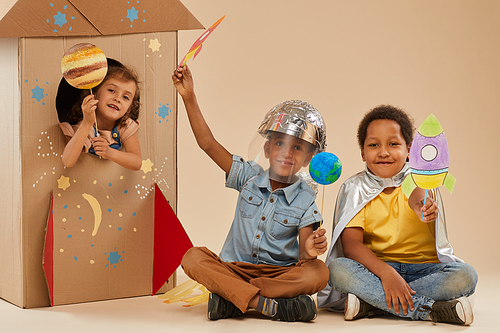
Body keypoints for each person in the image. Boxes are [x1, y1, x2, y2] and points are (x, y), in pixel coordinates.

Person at [172, 65, 329, 322]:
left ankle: (234, 300)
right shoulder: (249, 177)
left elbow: (304, 255)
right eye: (279, 143)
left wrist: (311, 250)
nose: (287, 153)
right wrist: (189, 97)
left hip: (277, 276)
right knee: (192, 257)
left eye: (297, 148)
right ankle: (264, 304)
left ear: (308, 159)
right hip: (234, 270)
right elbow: (207, 144)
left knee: (319, 272)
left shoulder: (306, 199)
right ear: (267, 149)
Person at [317, 105, 478, 325]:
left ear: (410, 149)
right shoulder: (354, 187)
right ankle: (429, 309)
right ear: (362, 152)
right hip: (376, 270)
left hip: (425, 271)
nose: (384, 152)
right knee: (337, 270)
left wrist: (421, 207)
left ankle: (370, 303)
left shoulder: (419, 179)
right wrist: (387, 274)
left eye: (393, 144)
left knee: (466, 276)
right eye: (374, 145)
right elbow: (352, 245)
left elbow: (417, 198)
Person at [57, 59, 142, 171]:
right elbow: (68, 161)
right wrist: (87, 123)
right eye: (111, 90)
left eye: (125, 97)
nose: (117, 99)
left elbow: (136, 162)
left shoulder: (125, 125)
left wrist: (109, 153)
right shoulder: (84, 126)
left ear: (129, 109)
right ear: (94, 94)